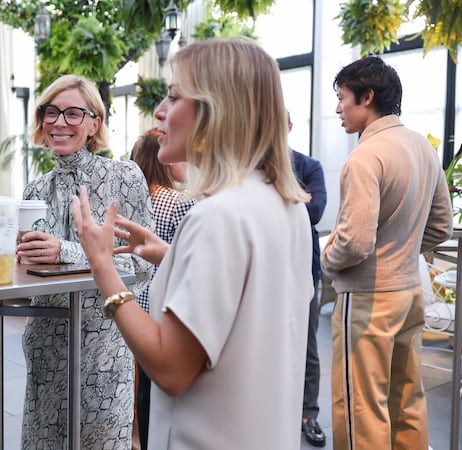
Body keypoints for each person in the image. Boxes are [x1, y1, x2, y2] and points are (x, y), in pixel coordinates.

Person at [71, 37, 314, 449]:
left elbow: (170, 368)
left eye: (172, 96)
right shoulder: (284, 206)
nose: (159, 112)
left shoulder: (218, 216)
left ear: (215, 110)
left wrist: (104, 269)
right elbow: (251, 302)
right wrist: (172, 256)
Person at [15, 74, 154, 448]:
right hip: (45, 349)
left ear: (95, 122)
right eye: (51, 112)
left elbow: (142, 266)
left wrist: (66, 251)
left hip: (103, 354)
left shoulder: (124, 177)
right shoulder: (35, 189)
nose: (59, 122)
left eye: (73, 113)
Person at [321, 56, 453, 450]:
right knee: (407, 398)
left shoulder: (365, 156)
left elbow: (355, 243)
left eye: (342, 97)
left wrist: (326, 258)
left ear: (368, 96)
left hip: (366, 298)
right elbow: (442, 225)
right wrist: (404, 250)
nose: (338, 108)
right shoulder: (422, 147)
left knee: (361, 405)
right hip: (409, 291)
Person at [128, 128, 194, 450]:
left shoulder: (132, 201)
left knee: (138, 393)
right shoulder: (181, 202)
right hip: (162, 308)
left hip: (131, 306)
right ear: (165, 159)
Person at [288, 114, 328, 447]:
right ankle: (281, 409)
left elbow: (316, 212)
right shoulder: (252, 166)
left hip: (305, 269)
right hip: (268, 272)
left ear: (287, 127)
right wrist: (298, 199)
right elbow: (306, 206)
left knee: (308, 346)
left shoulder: (308, 165)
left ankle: (308, 414)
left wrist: (279, 200)